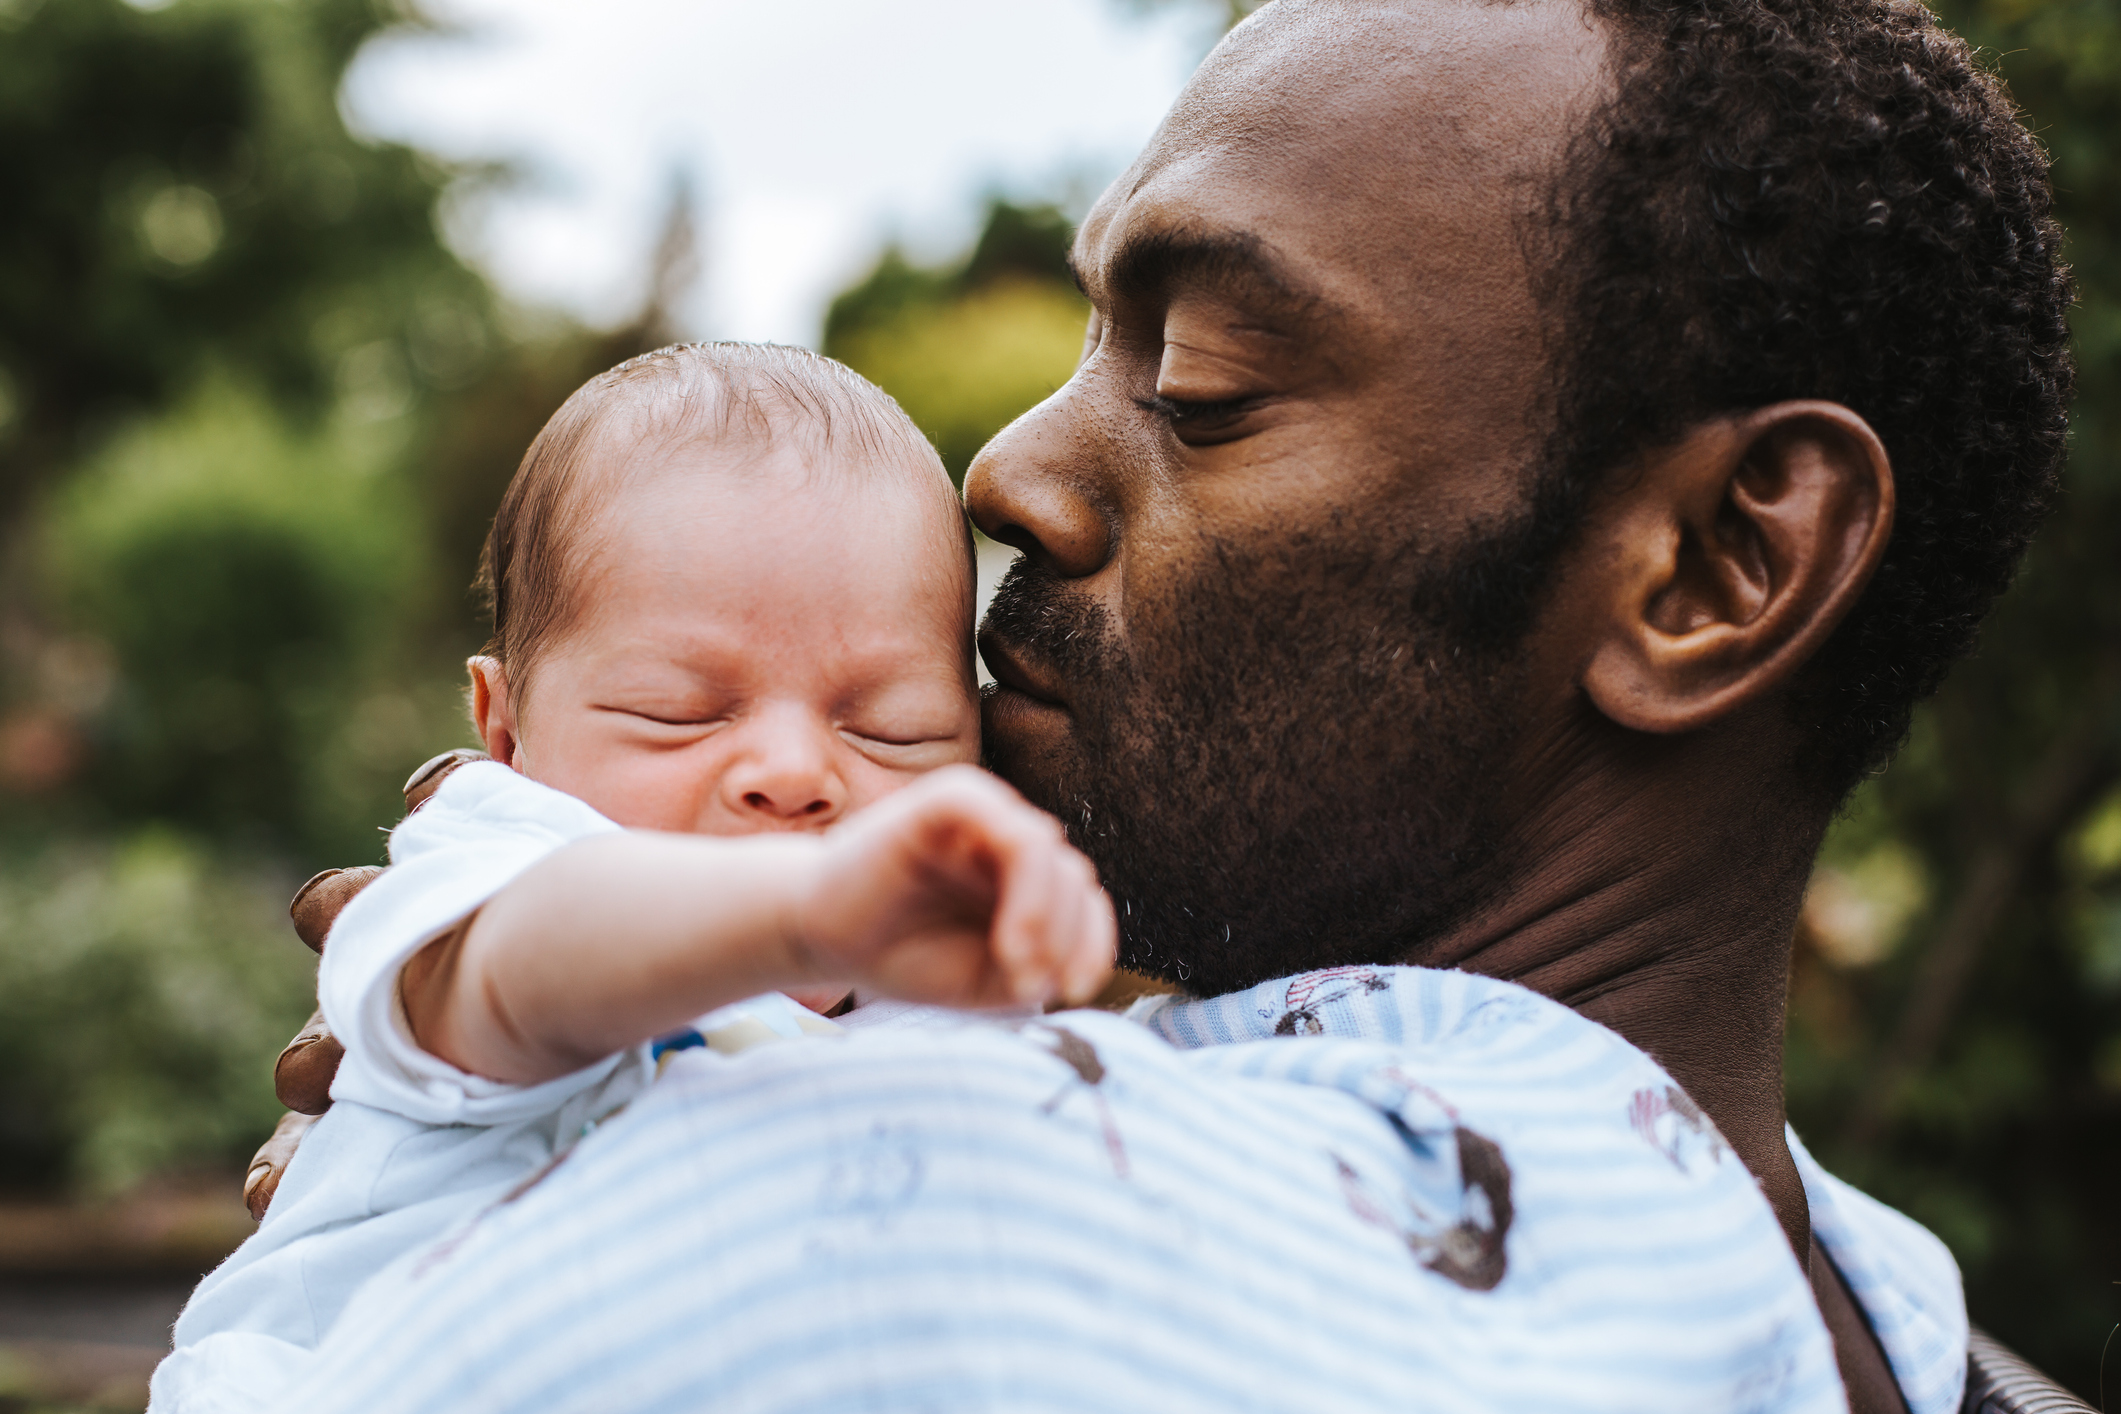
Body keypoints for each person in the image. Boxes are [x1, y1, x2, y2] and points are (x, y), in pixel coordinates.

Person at [237, 0, 2074, 1409]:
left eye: (1201, 383)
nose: (1008, 470)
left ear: (1711, 570)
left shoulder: (901, 1244)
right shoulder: (1864, 1301)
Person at [149, 344, 1116, 1413]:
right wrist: (801, 912)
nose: (795, 774)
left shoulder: (948, 1001)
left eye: (892, 728)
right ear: (504, 729)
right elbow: (517, 972)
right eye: (679, 712)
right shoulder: (497, 865)